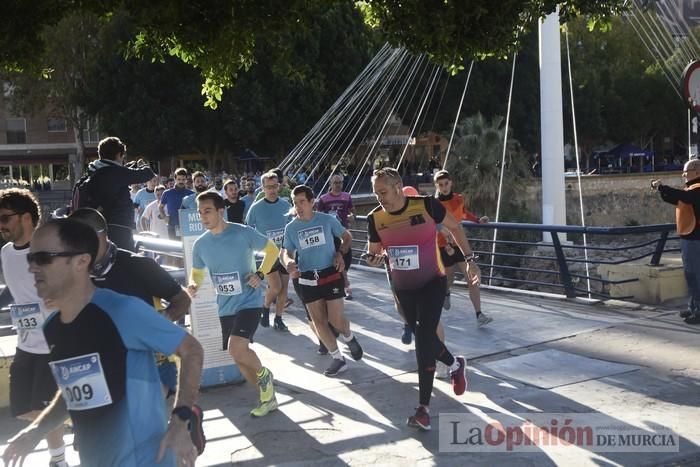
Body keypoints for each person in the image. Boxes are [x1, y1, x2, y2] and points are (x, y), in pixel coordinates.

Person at [1, 218, 204, 467]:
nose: (33, 268)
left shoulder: (122, 310)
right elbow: (72, 394)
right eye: (30, 259)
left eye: (44, 258)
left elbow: (192, 350)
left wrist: (181, 420)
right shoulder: (52, 327)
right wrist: (34, 432)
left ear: (81, 261)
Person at [365, 168, 469, 431]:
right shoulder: (375, 218)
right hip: (404, 288)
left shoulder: (425, 205)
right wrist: (374, 259)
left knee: (424, 339)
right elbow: (373, 253)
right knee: (424, 335)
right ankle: (456, 364)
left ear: (399, 186)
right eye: (376, 193)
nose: (379, 198)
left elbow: (455, 227)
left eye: (383, 192)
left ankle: (423, 409)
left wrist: (470, 261)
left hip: (433, 281)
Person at [69, 208, 195, 407]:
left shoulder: (137, 265)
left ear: (99, 235)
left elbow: (182, 298)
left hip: (151, 366)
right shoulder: (73, 273)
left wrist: (162, 319)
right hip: (99, 369)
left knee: (173, 432)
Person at [188, 192, 280, 417]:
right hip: (225, 305)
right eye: (200, 213)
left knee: (236, 347)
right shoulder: (200, 245)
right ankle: (266, 397)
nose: (203, 217)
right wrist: (193, 285)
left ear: (221, 211)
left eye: (207, 211)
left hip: (249, 300)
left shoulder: (242, 232)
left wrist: (259, 273)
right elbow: (197, 274)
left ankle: (264, 374)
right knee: (238, 357)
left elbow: (272, 250)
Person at [0, 189, 68, 467]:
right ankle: (70, 416)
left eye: (6, 218)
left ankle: (58, 460)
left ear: (26, 218)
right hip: (25, 343)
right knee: (22, 409)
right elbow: (15, 291)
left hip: (53, 344)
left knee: (41, 408)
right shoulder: (5, 252)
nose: (1, 224)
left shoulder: (49, 250)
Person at [281, 185, 364, 377]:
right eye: (295, 203)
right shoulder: (291, 228)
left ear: (312, 202)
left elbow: (346, 237)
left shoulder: (327, 220)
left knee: (335, 320)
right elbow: (286, 251)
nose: (299, 206)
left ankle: (349, 337)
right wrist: (289, 262)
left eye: (302, 202)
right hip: (308, 277)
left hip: (330, 273)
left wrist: (340, 253)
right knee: (319, 322)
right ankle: (338, 358)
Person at [433, 170, 492, 326]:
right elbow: (434, 224)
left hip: (459, 244)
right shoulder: (434, 203)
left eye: (446, 183)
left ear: (451, 183)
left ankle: (479, 314)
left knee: (471, 278)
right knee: (449, 277)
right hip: (443, 246)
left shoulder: (459, 198)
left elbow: (464, 213)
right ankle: (446, 292)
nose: (444, 187)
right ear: (437, 186)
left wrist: (478, 220)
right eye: (440, 185)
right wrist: (445, 238)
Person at [83, 136, 155, 251]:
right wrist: (143, 165)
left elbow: (115, 176)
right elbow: (147, 174)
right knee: (123, 262)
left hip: (99, 228)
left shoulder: (93, 170)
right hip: (120, 230)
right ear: (118, 154)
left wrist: (126, 168)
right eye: (123, 156)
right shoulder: (116, 173)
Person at [652, 158, 700, 324]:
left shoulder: (696, 190)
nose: (684, 175)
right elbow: (676, 198)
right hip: (689, 238)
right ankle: (693, 306)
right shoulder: (691, 190)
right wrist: (661, 190)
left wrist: (663, 187)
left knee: (695, 276)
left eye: (686, 172)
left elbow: (684, 196)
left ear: (696, 172)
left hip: (695, 239)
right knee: (691, 275)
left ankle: (698, 311)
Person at [245, 171, 293, 331]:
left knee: (284, 289)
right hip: (267, 254)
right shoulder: (256, 208)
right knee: (276, 286)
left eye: (274, 186)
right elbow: (248, 228)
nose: (272, 190)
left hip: (285, 252)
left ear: (278, 186)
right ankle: (265, 307)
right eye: (268, 187)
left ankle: (279, 318)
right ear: (263, 188)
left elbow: (292, 227)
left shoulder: (286, 205)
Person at [317, 173, 357, 299]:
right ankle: (346, 286)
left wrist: (352, 217)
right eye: (335, 182)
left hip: (344, 233)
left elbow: (353, 211)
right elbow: (318, 216)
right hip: (331, 235)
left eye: (340, 182)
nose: (338, 185)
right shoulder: (323, 199)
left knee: (347, 258)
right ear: (330, 184)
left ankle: (342, 282)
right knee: (339, 259)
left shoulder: (346, 197)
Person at [159, 168, 194, 240]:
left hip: (188, 227)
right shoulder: (167, 193)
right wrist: (164, 217)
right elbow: (160, 207)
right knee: (174, 249)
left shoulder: (191, 194)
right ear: (175, 179)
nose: (181, 181)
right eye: (179, 179)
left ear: (186, 180)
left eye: (183, 179)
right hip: (172, 226)